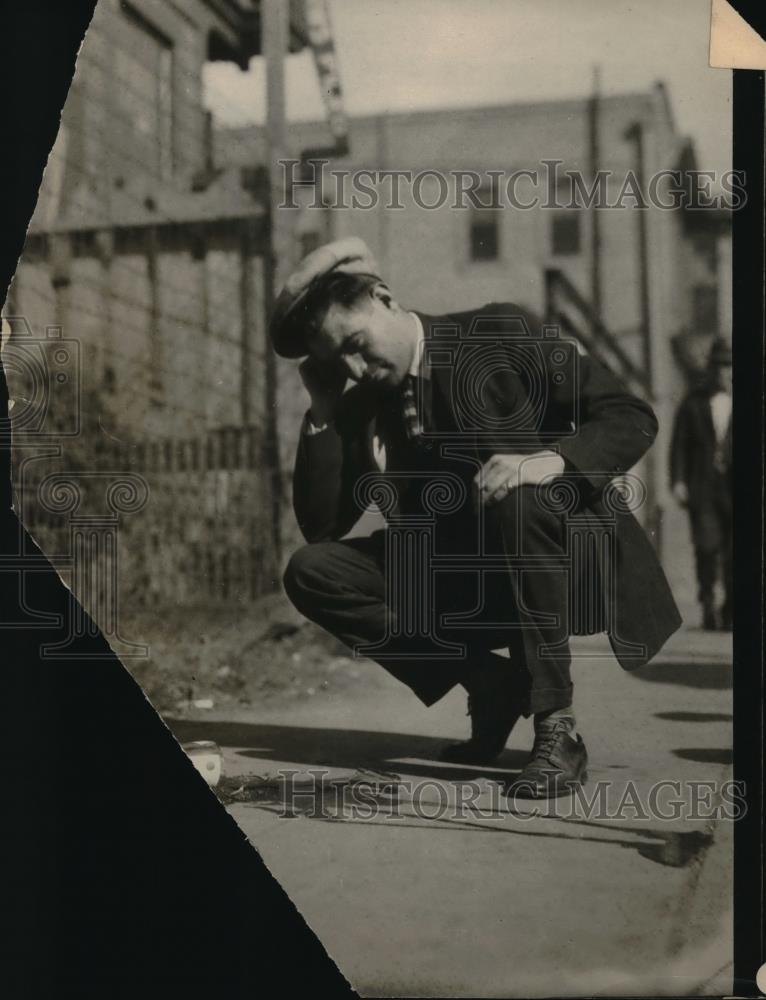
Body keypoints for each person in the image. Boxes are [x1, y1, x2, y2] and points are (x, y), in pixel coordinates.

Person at [272, 237, 681, 799]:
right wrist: (322, 411)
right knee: (312, 569)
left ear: (385, 299)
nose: (353, 367)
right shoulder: (363, 396)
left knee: (516, 494)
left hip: (557, 561)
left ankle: (557, 726)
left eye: (356, 345)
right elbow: (321, 527)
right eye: (334, 360)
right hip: (468, 581)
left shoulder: (497, 334)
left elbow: (630, 415)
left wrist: (547, 461)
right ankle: (490, 682)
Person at [669, 338, 733, 631]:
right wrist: (679, 481)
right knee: (707, 547)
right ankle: (707, 600)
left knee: (736, 550)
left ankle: (732, 606)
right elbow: (679, 444)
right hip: (702, 487)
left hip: (737, 489)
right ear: (710, 369)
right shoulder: (693, 402)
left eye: (730, 365)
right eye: (720, 365)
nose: (725, 372)